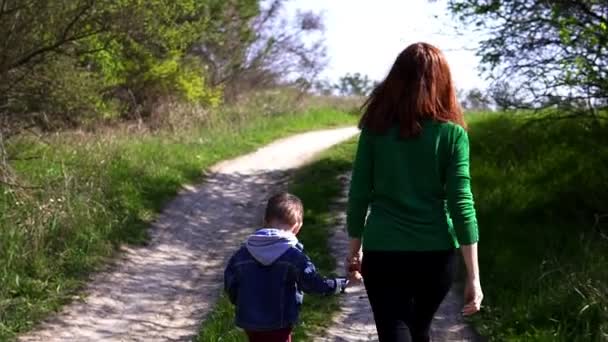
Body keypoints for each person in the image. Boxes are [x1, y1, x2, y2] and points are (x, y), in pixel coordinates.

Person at [345, 42, 484, 342]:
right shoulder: (452, 134)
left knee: (395, 328)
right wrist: (474, 275)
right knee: (418, 329)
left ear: (395, 81)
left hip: (384, 252)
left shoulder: (375, 131)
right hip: (436, 255)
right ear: (443, 82)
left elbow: (359, 193)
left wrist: (354, 247)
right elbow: (462, 203)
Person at [224, 192, 348, 342]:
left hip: (250, 323)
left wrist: (246, 303)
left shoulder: (241, 255)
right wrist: (342, 284)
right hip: (280, 323)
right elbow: (314, 285)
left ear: (265, 220)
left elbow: (231, 285)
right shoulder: (294, 257)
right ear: (297, 227)